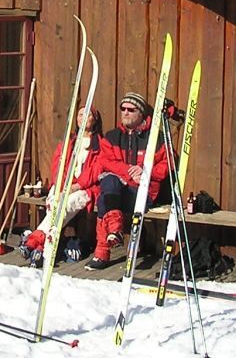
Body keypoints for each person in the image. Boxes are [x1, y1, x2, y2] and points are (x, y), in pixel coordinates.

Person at [88, 92, 169, 270]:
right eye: (123, 108)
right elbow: (105, 162)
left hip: (143, 192)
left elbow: (167, 165)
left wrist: (147, 172)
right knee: (109, 183)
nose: (125, 112)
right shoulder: (112, 136)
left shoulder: (156, 137)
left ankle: (102, 252)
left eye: (130, 109)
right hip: (119, 188)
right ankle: (115, 232)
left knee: (105, 197)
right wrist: (129, 172)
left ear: (141, 113)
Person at [19, 106, 102, 265]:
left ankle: (36, 242)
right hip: (65, 186)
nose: (82, 118)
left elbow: (95, 171)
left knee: (65, 206)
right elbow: (59, 167)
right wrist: (62, 187)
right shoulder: (69, 143)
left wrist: (76, 187)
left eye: (87, 114)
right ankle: (43, 244)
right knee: (53, 202)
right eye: (79, 114)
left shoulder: (100, 145)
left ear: (95, 119)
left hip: (85, 188)